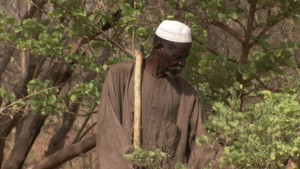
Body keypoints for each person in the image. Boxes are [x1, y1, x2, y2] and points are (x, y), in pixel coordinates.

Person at [96, 20, 222, 169]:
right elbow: (110, 136)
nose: (183, 64)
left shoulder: (188, 95)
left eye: (185, 58)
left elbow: (203, 146)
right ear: (159, 48)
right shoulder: (119, 76)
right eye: (178, 57)